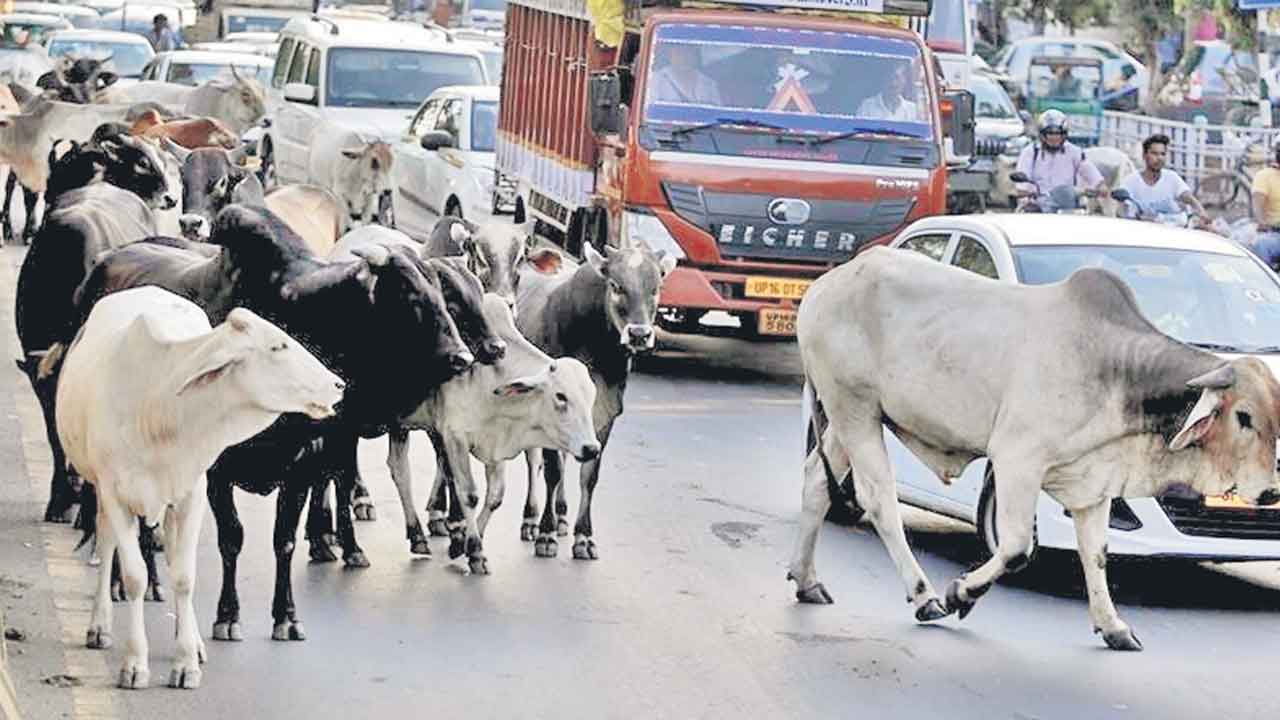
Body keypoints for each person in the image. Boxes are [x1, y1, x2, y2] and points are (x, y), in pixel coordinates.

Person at [1013, 108, 1105, 212]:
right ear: (1042, 135)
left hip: (1067, 207)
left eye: (1058, 134)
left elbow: (1092, 174)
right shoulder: (1030, 152)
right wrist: (1026, 190)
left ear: (1064, 135)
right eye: (1050, 134)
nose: (1054, 138)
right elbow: (1021, 182)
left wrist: (1098, 187)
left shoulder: (1075, 152)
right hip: (1037, 205)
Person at [1117, 133, 1208, 226]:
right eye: (1154, 153)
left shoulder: (1172, 177)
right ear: (1144, 155)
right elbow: (1121, 206)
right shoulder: (1131, 180)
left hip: (1173, 228)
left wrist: (1201, 211)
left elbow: (1187, 196)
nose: (1159, 158)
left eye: (1163, 154)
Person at [648, 43, 721, 106]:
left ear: (695, 54)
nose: (684, 57)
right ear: (670, 54)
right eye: (679, 52)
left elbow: (717, 113)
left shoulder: (709, 83)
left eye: (688, 51)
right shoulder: (655, 79)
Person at [1250, 144, 1280, 268]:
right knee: (1261, 245)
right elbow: (1258, 205)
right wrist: (1262, 222)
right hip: (1275, 233)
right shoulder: (1265, 176)